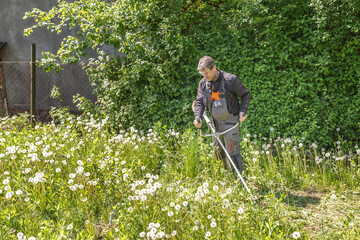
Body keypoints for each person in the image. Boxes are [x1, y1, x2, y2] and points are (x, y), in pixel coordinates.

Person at [193, 56, 251, 178]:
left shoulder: (231, 80)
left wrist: (243, 111)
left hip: (231, 122)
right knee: (218, 153)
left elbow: (246, 95)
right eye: (201, 73)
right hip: (215, 123)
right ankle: (223, 180)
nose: (204, 76)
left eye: (206, 72)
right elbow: (199, 101)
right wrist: (198, 116)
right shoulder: (203, 83)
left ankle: (240, 182)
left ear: (214, 68)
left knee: (233, 152)